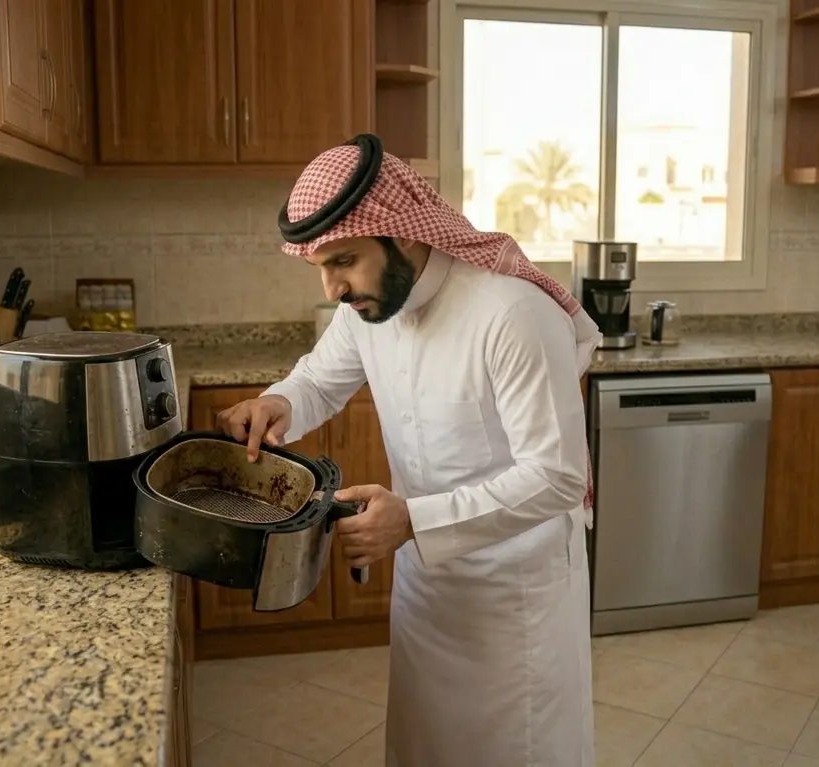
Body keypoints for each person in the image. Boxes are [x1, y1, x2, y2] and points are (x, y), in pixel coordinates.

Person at [216, 134, 600, 767]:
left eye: (344, 261)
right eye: (321, 268)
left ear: (403, 234)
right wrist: (277, 403)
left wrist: (413, 519)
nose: (333, 287)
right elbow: (319, 381)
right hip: (426, 577)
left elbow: (556, 476)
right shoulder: (370, 307)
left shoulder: (512, 314)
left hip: (515, 597)